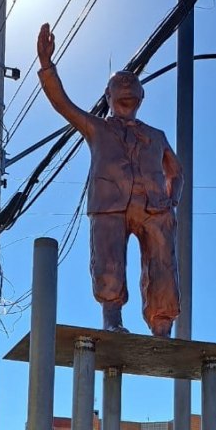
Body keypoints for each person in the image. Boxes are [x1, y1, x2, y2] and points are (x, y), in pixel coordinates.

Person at [37, 23, 184, 337]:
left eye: (133, 86)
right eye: (121, 85)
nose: (128, 90)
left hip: (153, 208)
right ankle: (112, 320)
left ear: (142, 96)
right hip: (109, 205)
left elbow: (177, 171)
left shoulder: (156, 136)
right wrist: (47, 66)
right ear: (108, 95)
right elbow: (63, 104)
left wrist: (172, 200)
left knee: (162, 264)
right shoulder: (97, 128)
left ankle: (162, 325)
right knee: (109, 263)